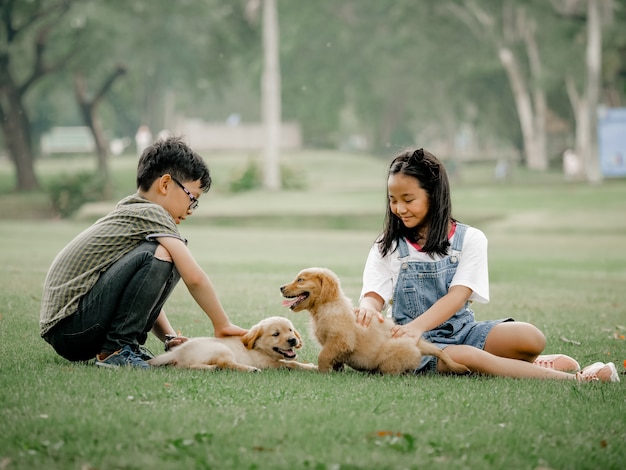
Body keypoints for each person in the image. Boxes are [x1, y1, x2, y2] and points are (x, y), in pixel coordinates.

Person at [355, 148, 619, 383]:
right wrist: (368, 308)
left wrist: (418, 325)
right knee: (471, 357)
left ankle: (527, 362)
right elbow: (374, 295)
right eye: (393, 199)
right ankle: (578, 380)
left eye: (408, 199)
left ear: (433, 195)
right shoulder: (387, 245)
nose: (399, 208)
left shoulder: (470, 239)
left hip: (463, 332)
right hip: (413, 347)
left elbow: (459, 296)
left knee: (531, 338)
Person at [40, 136, 247, 368]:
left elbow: (138, 292)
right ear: (166, 184)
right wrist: (222, 324)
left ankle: (123, 347)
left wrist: (169, 338)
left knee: (163, 253)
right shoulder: (152, 213)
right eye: (192, 199)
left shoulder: (134, 211)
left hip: (71, 332)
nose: (191, 210)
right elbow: (194, 277)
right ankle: (116, 349)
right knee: (167, 254)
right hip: (72, 328)